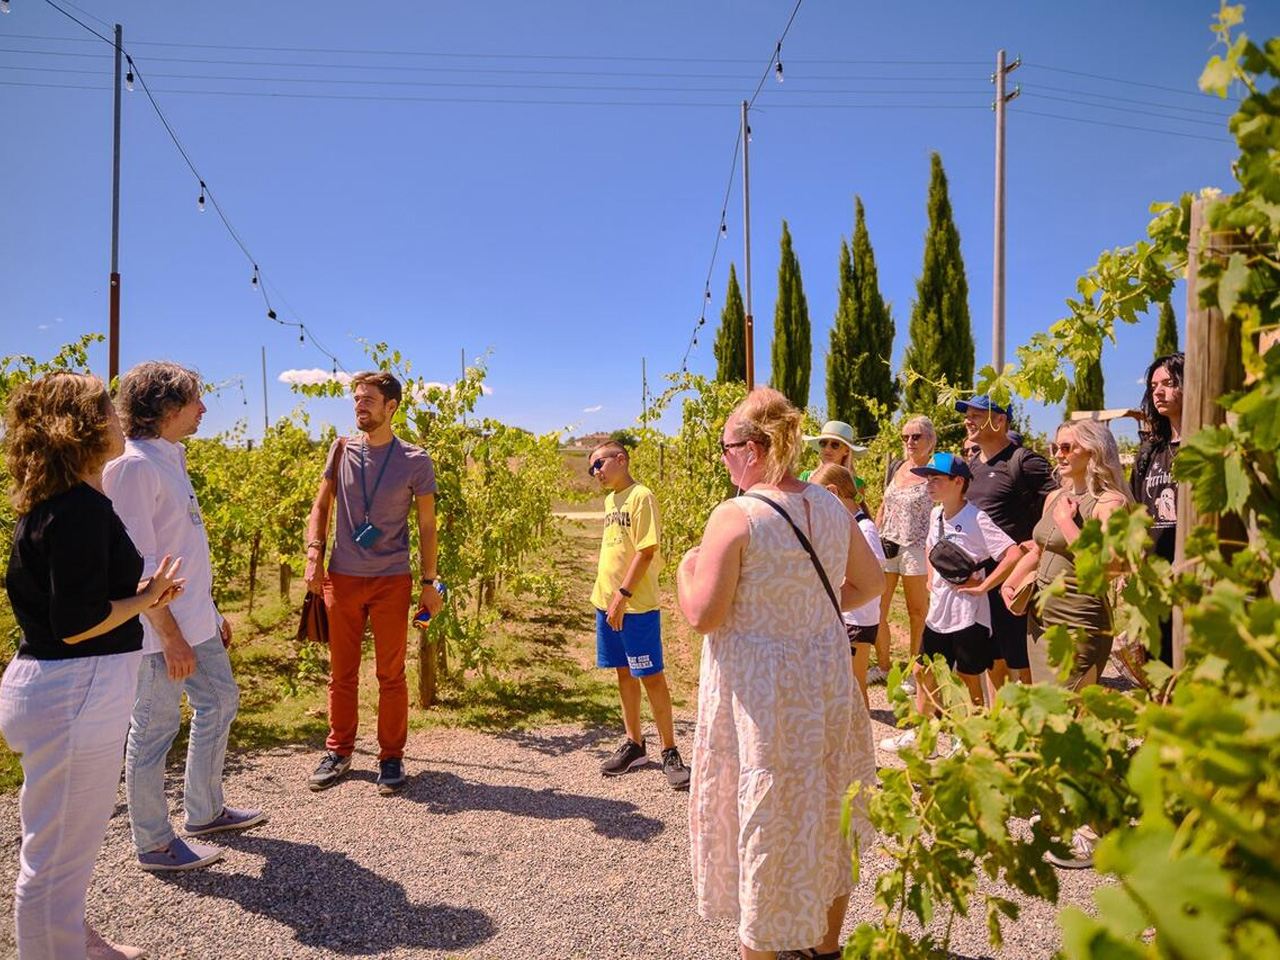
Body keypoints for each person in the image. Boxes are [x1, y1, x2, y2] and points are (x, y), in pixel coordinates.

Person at [677, 387, 883, 960]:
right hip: (825, 679)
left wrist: (682, 569)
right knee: (825, 806)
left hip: (763, 696)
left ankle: (764, 949)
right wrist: (807, 607)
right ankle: (826, 945)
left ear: (753, 447)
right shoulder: (831, 505)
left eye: (724, 447)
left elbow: (702, 614)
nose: (721, 458)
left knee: (766, 812)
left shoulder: (735, 515)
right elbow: (869, 586)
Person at [1, 372, 185, 960]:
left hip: (63, 687)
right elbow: (78, 621)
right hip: (74, 688)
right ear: (80, 425)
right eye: (106, 410)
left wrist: (142, 595)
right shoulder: (78, 508)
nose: (116, 419)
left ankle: (74, 941)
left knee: (60, 843)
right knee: (55, 856)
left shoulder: (61, 504)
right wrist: (147, 598)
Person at [104, 362, 265, 874]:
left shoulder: (170, 458)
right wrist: (170, 636)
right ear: (166, 408)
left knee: (219, 702)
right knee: (153, 730)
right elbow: (139, 568)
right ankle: (153, 843)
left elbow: (185, 548)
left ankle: (205, 810)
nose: (203, 409)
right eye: (195, 400)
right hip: (158, 633)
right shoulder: (133, 467)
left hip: (195, 621)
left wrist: (210, 612)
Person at [303, 371, 443, 794]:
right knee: (341, 673)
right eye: (357, 400)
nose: (359, 406)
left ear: (391, 407)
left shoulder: (415, 460)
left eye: (368, 400)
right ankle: (339, 750)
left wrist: (430, 581)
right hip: (341, 578)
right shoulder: (341, 449)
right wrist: (313, 554)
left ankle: (391, 758)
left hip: (391, 580)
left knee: (391, 674)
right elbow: (321, 504)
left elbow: (427, 525)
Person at [881, 452, 1021, 755]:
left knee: (968, 677)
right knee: (922, 671)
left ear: (958, 482)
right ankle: (924, 736)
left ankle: (967, 737)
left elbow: (1012, 554)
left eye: (936, 479)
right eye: (927, 478)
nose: (929, 484)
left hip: (968, 614)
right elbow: (932, 546)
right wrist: (932, 579)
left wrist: (984, 585)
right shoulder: (936, 515)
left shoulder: (976, 518)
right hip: (940, 611)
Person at [588, 441, 689, 790]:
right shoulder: (609, 501)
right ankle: (635, 744)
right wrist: (607, 598)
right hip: (607, 603)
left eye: (599, 463)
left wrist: (623, 595)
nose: (596, 472)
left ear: (621, 459)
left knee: (651, 676)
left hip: (635, 605)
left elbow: (646, 551)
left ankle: (670, 750)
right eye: (591, 468)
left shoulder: (641, 496)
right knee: (624, 673)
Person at [1002, 421, 1133, 692]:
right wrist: (1010, 582)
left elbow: (1110, 567)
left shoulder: (1110, 503)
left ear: (1092, 452)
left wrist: (1067, 524)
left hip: (1079, 622)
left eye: (1066, 447)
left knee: (1069, 712)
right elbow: (1039, 549)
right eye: (1055, 447)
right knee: (1046, 707)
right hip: (1039, 621)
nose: (1057, 454)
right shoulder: (1055, 498)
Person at [958, 396, 1057, 689]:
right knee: (992, 658)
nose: (968, 420)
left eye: (977, 415)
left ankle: (1029, 728)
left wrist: (1035, 543)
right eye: (968, 414)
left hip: (1014, 580)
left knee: (1020, 659)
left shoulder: (1024, 461)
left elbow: (1061, 499)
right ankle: (999, 723)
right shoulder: (973, 465)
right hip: (981, 580)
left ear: (1000, 422)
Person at [810, 463, 886, 711]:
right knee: (842, 684)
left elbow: (873, 574)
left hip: (858, 620)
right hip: (847, 616)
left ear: (832, 492)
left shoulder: (864, 528)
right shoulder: (845, 524)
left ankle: (861, 741)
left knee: (855, 685)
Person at [875, 415, 937, 690]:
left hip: (916, 547)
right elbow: (883, 505)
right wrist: (873, 537)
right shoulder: (897, 467)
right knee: (878, 609)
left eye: (916, 437)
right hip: (888, 544)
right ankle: (884, 666)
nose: (909, 442)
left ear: (930, 440)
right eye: (905, 437)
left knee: (916, 611)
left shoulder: (935, 471)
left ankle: (914, 669)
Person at [1130, 353, 1184, 666]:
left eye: (1169, 383)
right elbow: (1138, 516)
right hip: (1153, 581)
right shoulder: (1150, 453)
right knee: (1157, 669)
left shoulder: (1203, 446)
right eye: (1153, 386)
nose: (1159, 392)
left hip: (1192, 577)